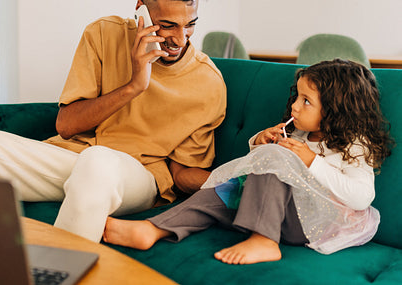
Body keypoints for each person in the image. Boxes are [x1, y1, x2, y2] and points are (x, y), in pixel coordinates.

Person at [0, 0, 226, 243]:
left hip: (138, 176)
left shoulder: (208, 82)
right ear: (141, 10)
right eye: (168, 25)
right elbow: (66, 125)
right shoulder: (103, 33)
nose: (179, 39)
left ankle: (60, 270)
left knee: (98, 162)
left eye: (190, 26)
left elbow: (182, 172)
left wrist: (240, 181)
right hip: (71, 157)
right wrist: (134, 84)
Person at [103, 59, 394, 264]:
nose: (294, 105)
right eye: (298, 96)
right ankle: (154, 228)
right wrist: (259, 141)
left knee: (274, 161)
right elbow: (257, 169)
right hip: (274, 212)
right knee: (224, 191)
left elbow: (361, 197)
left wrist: (310, 161)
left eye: (307, 101)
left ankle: (265, 240)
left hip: (316, 224)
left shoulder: (354, 145)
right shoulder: (299, 131)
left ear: (337, 111)